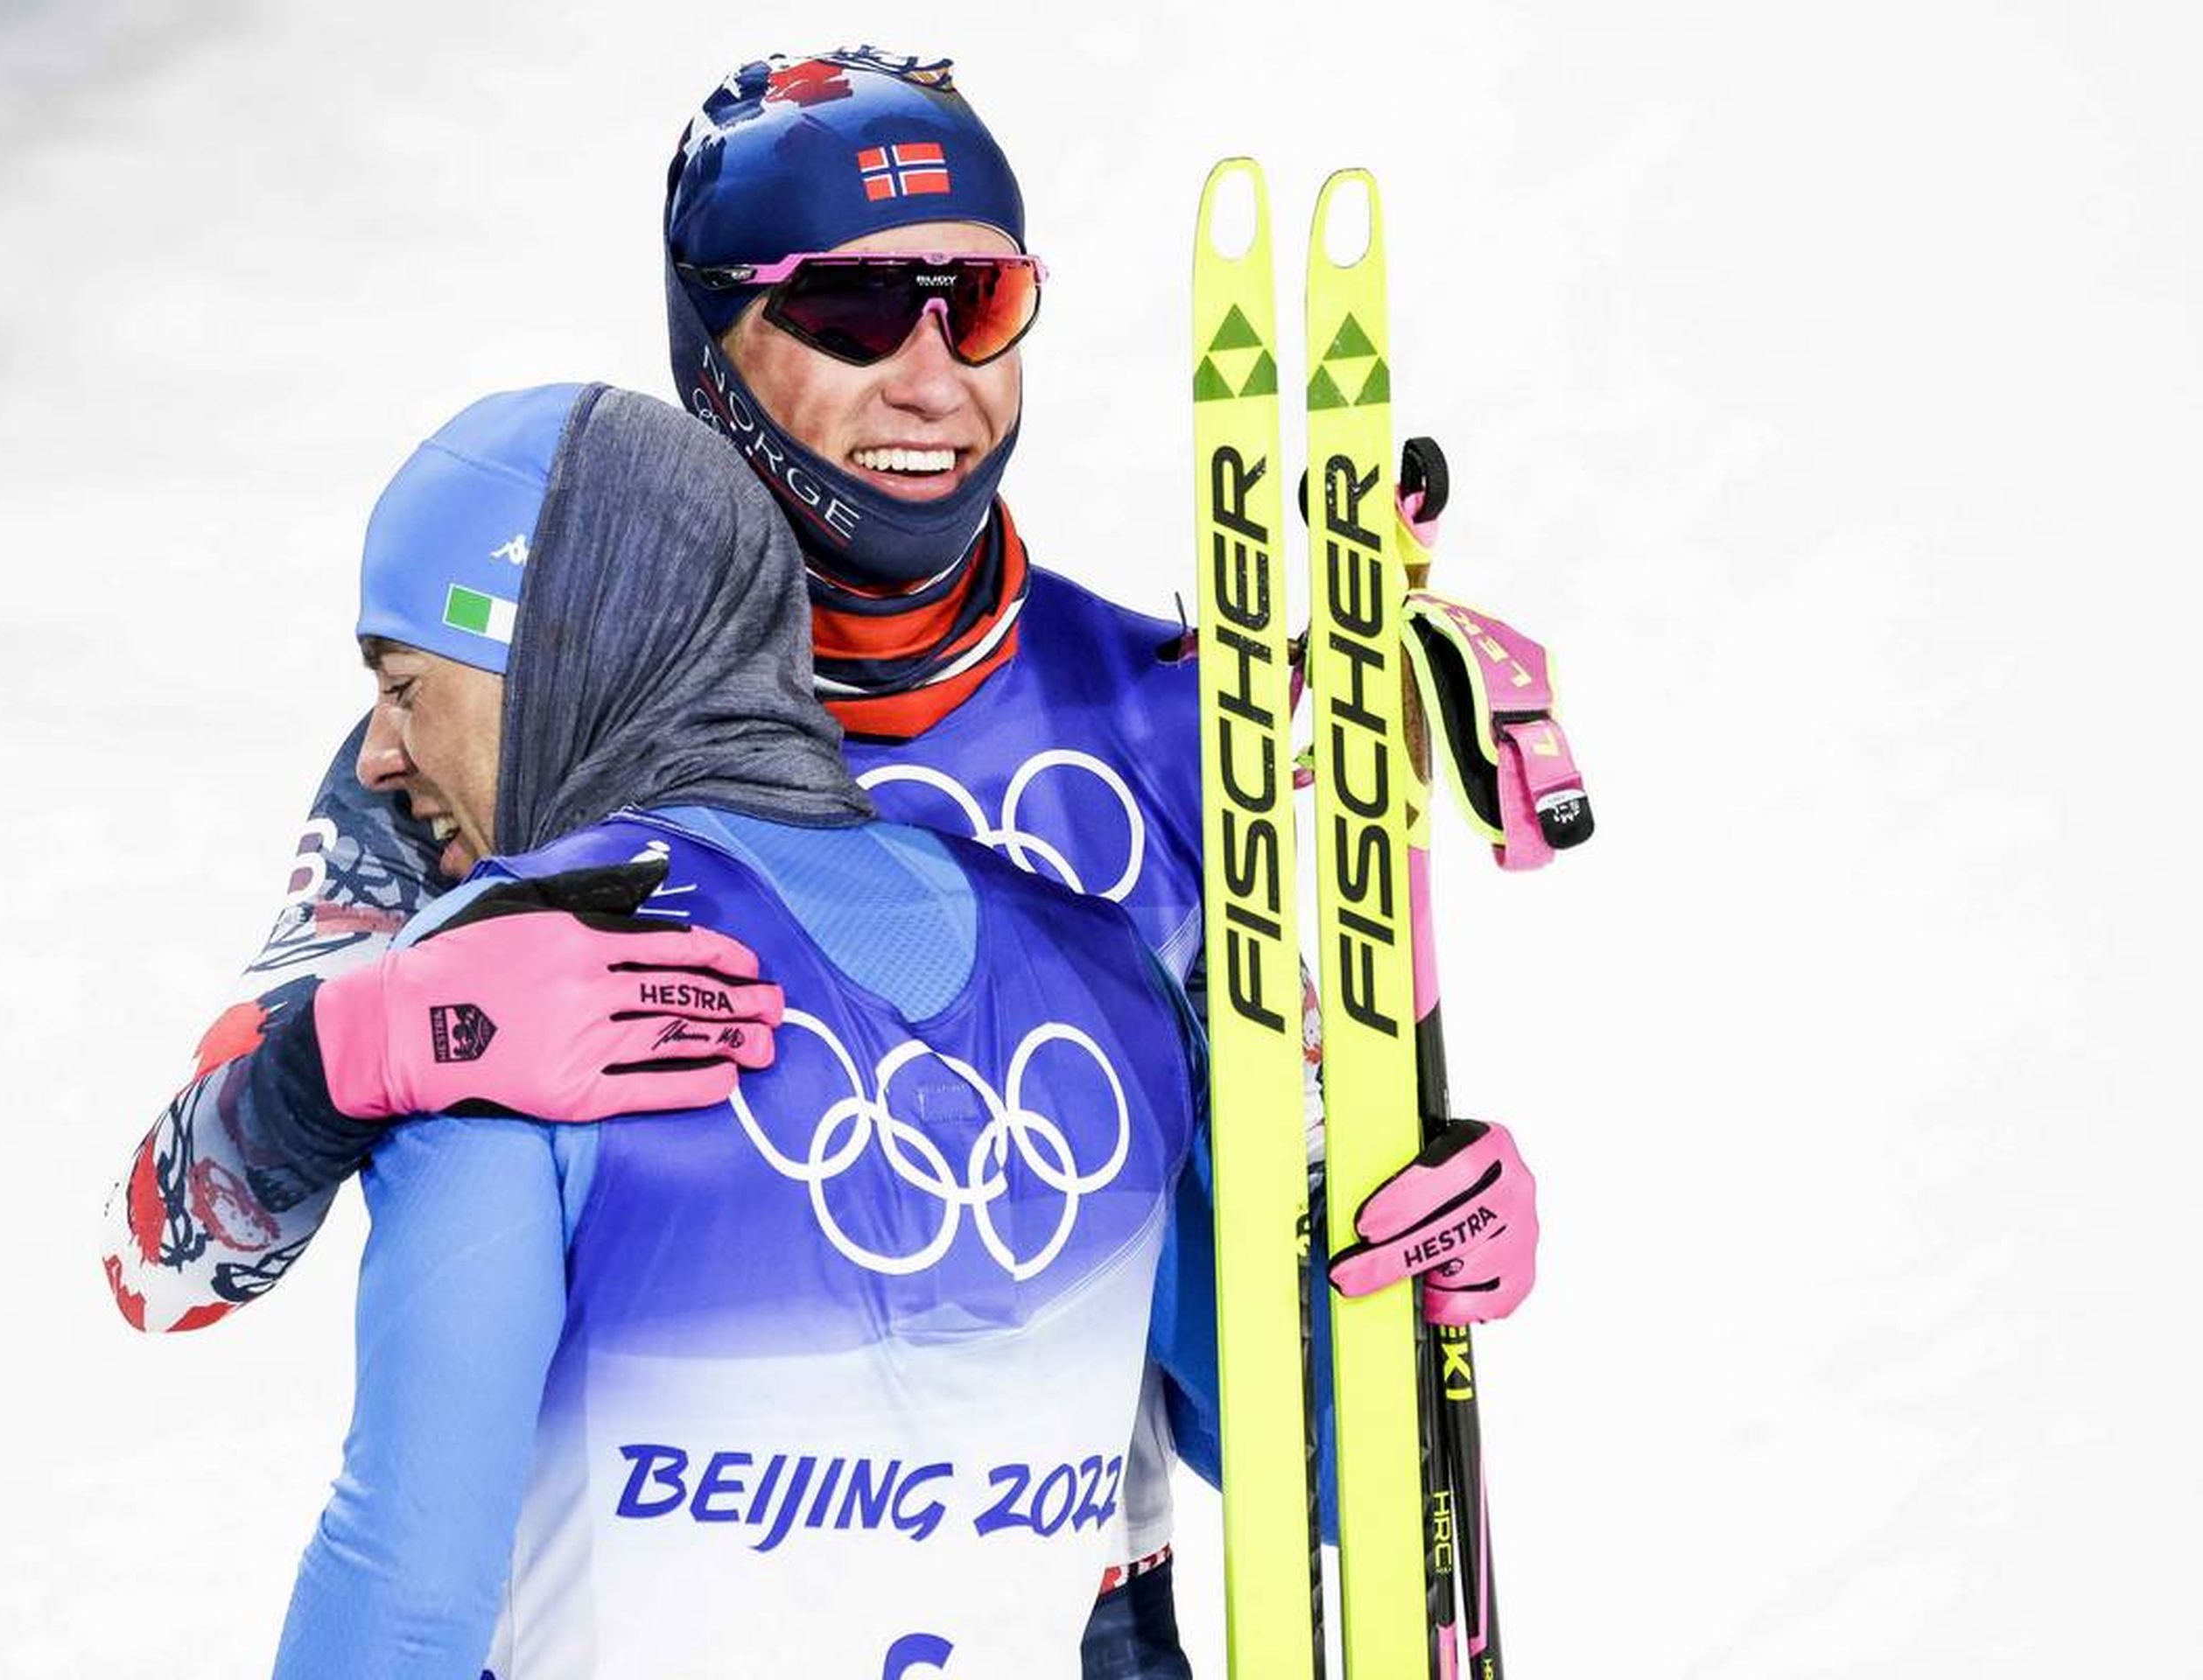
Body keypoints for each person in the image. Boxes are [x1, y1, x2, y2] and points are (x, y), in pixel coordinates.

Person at [102, 47, 1539, 1677]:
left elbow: (1256, 1416)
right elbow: (163, 1255)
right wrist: (355, 1052)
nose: (933, 379)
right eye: (855, 314)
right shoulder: (498, 744)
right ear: (706, 343)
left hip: (1067, 1616)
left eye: (978, 307)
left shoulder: (1181, 732)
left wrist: (1392, 1243)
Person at [271, 380, 1208, 1677]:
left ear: (552, 659)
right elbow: (1285, 1438)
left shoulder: (522, 973)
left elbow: (408, 1587)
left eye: (404, 684)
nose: (377, 753)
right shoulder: (1117, 976)